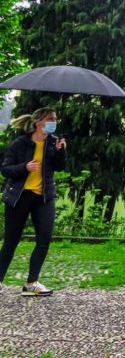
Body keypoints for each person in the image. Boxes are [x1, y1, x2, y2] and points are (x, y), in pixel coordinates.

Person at [0, 108, 67, 296]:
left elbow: (60, 167)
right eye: (50, 118)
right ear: (39, 122)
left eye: (55, 118)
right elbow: (5, 170)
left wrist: (61, 151)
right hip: (19, 196)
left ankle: (31, 283)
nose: (55, 121)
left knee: (44, 238)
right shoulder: (20, 144)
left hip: (44, 197)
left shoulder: (54, 142)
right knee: (11, 241)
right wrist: (25, 167)